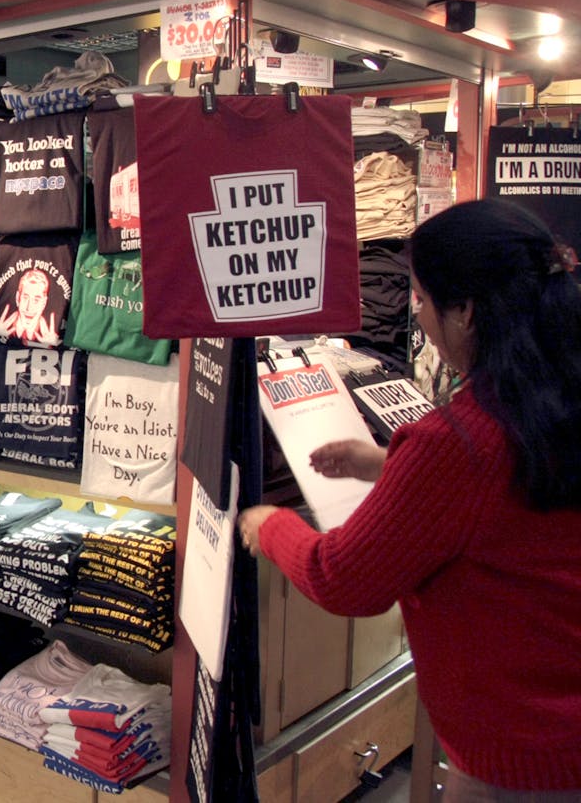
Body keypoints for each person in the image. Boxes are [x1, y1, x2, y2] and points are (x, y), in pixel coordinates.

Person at [238, 199, 581, 799]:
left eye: (420, 300)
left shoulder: (460, 441)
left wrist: (268, 526)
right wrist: (391, 464)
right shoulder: (551, 402)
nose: (416, 316)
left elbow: (342, 578)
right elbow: (513, 504)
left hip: (518, 759)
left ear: (466, 311)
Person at [0, 268, 60, 345]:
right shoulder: (0, 326)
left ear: (44, 302)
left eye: (36, 300)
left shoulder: (54, 332)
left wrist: (53, 345)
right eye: (25, 298)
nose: (29, 307)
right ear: (18, 298)